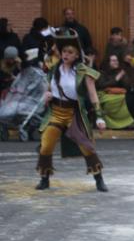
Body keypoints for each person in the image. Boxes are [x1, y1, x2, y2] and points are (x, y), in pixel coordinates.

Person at [35, 28, 109, 192]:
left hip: (74, 114)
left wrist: (99, 117)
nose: (66, 54)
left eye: (70, 52)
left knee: (86, 147)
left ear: (77, 55)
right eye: (64, 51)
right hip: (55, 112)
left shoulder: (83, 71)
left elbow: (93, 95)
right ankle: (44, 179)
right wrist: (47, 95)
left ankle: (99, 179)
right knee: (46, 145)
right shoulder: (54, 69)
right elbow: (48, 88)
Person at [96, 54, 134, 129]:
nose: (116, 62)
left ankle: (125, 123)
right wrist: (117, 78)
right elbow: (102, 85)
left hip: (119, 94)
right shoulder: (102, 72)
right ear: (108, 62)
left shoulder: (119, 71)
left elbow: (127, 86)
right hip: (105, 94)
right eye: (113, 60)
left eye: (116, 60)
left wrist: (124, 75)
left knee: (129, 98)